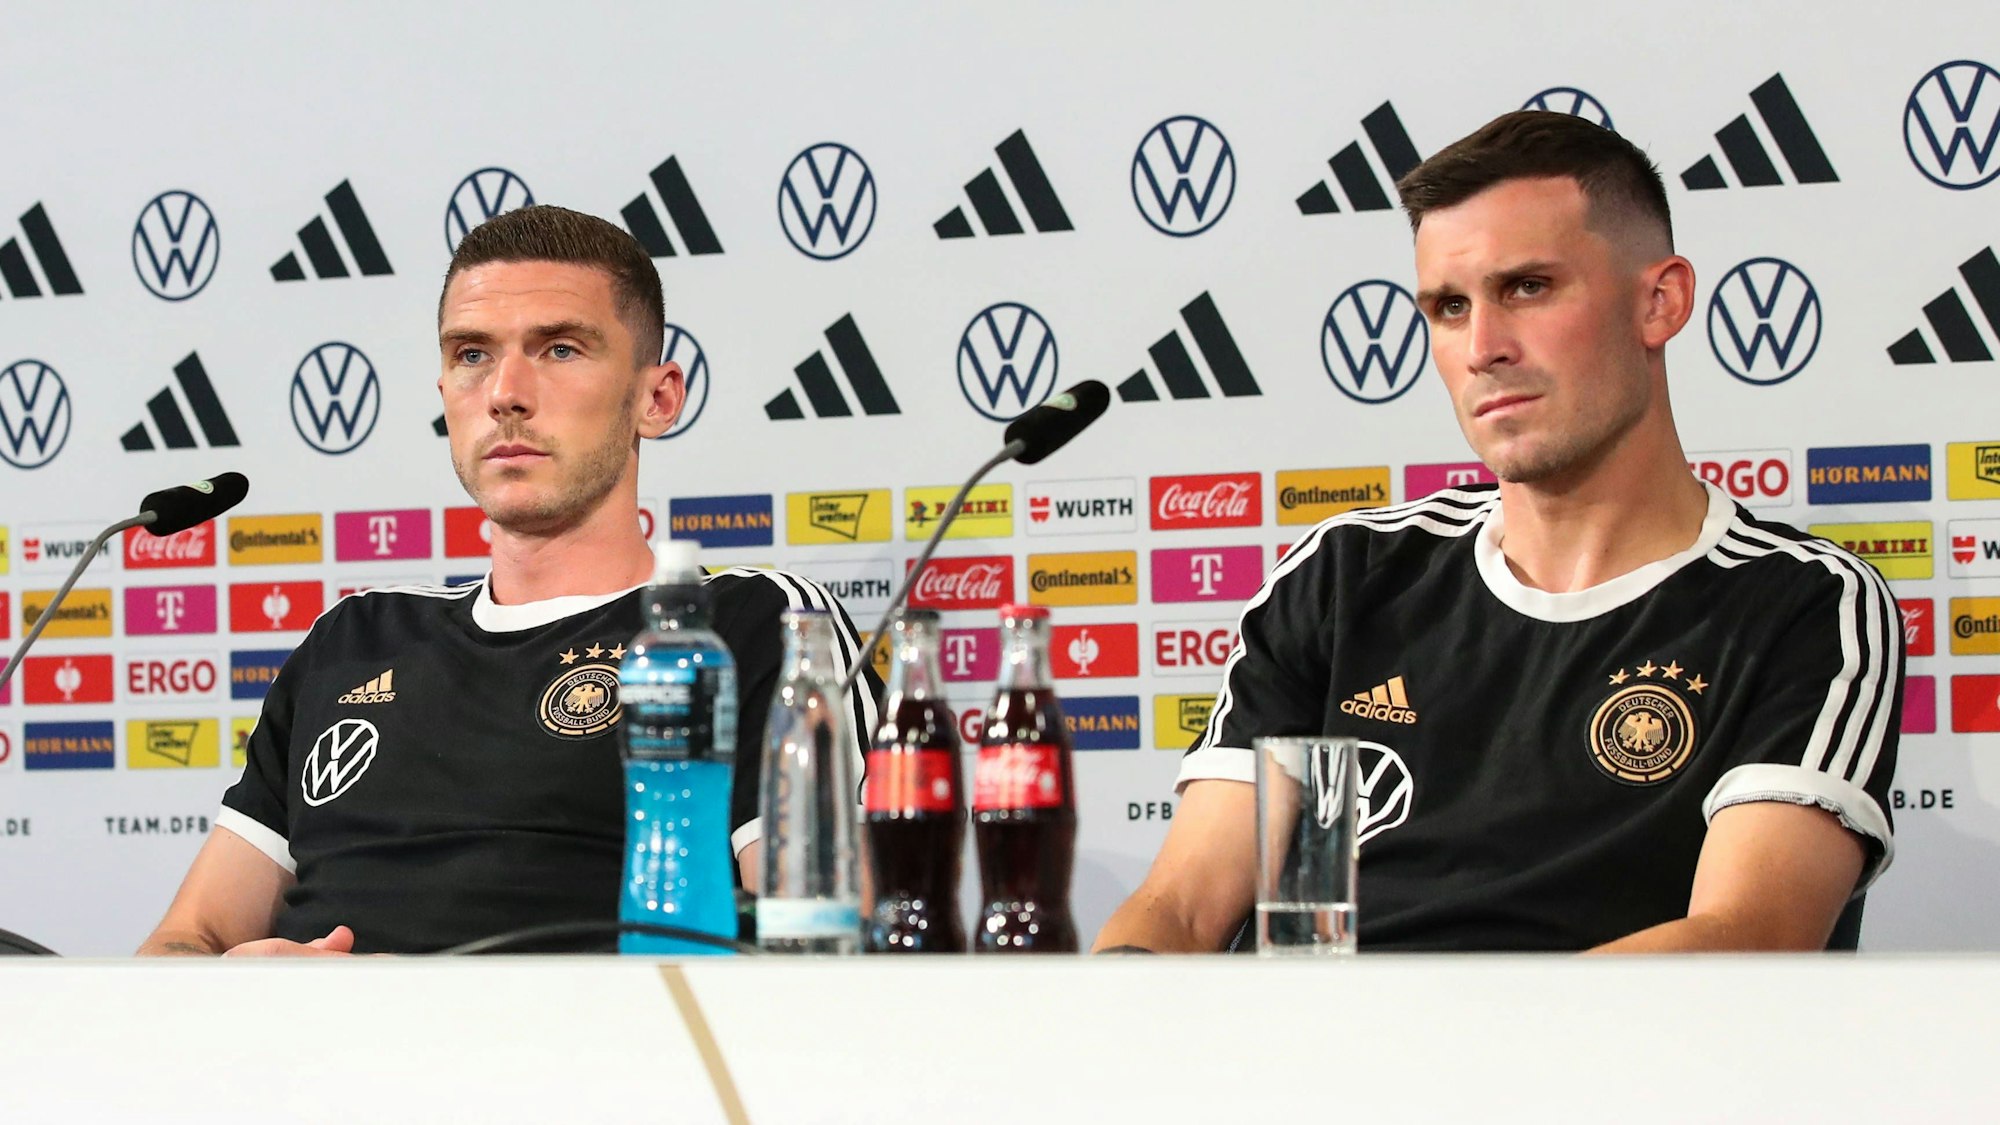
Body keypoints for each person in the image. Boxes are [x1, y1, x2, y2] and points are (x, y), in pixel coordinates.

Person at [1094, 111, 1902, 954]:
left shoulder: (1806, 604)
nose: (1482, 347)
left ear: (1659, 302)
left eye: (1527, 288)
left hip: (1609, 1079)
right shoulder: (1345, 576)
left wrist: (1441, 1062)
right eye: (1448, 307)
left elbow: (1746, 938)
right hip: (1315, 1073)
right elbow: (1181, 909)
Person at [139, 206, 879, 956]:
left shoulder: (755, 627)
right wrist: (225, 988)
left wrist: (417, 1007)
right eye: (471, 354)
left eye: (560, 349)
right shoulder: (352, 641)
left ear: (655, 399)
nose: (505, 392)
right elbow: (183, 939)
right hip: (301, 1065)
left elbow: (824, 960)